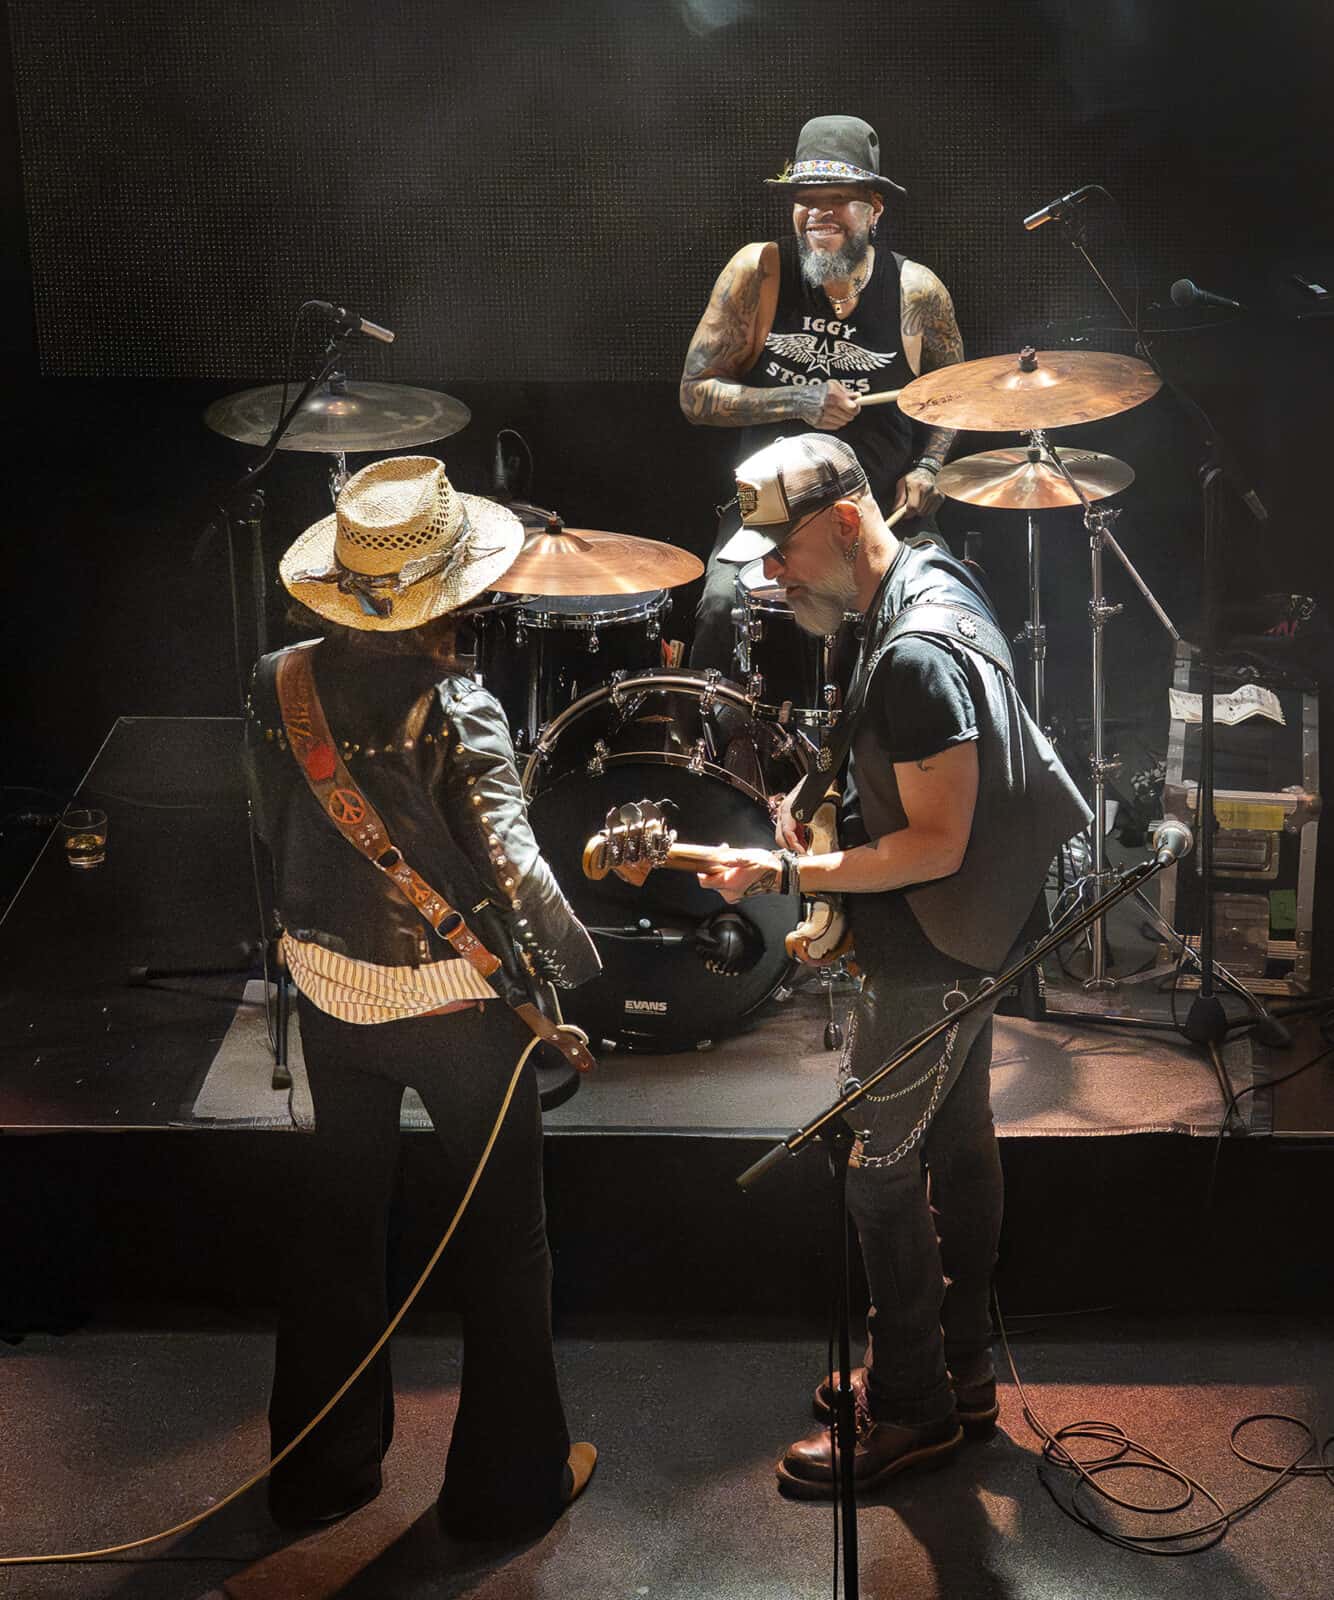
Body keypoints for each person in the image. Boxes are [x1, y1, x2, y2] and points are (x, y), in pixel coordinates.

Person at [696, 435, 1091, 1497]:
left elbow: (935, 844)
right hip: (988, 920)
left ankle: (912, 1405)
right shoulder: (926, 572)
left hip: (939, 932)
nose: (769, 576)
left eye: (779, 552)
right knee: (956, 1144)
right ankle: (961, 1372)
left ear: (840, 523)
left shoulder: (915, 654)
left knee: (877, 1174)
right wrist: (813, 809)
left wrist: (791, 870)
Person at [244, 455, 600, 1538]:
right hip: (457, 1013)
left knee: (337, 1232)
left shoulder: (276, 679)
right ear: (453, 586)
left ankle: (319, 1475)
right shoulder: (460, 705)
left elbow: (270, 831)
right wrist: (579, 974)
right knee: (505, 1247)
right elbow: (515, 878)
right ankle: (504, 1493)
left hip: (329, 996)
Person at [680, 113, 965, 671]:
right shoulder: (759, 272)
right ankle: (717, 727)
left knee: (940, 616)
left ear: (875, 208)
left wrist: (930, 467)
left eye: (837, 198)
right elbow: (694, 395)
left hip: (881, 514)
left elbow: (955, 397)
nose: (817, 212)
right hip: (768, 511)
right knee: (720, 609)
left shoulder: (916, 292)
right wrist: (798, 400)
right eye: (806, 198)